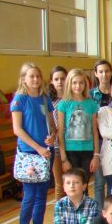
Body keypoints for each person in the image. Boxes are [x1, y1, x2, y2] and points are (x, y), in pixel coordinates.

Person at [12, 62, 56, 224]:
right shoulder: (19, 100)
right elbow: (18, 129)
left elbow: (52, 125)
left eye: (38, 76)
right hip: (29, 153)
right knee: (29, 195)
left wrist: (52, 136)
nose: (36, 79)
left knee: (41, 195)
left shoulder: (45, 99)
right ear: (24, 79)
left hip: (46, 153)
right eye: (31, 76)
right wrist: (38, 148)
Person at [56, 67, 99, 180]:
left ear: (85, 84)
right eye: (74, 83)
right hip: (70, 151)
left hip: (87, 150)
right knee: (73, 181)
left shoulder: (91, 104)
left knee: (84, 182)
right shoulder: (64, 104)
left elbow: (94, 131)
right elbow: (60, 132)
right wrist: (64, 159)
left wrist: (96, 155)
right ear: (69, 84)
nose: (78, 86)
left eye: (81, 83)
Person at [90, 59, 112, 207]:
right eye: (101, 72)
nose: (104, 74)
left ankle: (111, 210)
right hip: (97, 140)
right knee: (99, 181)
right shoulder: (90, 94)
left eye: (107, 71)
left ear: (111, 72)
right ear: (96, 74)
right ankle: (100, 213)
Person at [48, 65, 67, 202]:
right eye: (56, 79)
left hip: (71, 145)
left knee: (74, 182)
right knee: (60, 185)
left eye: (62, 78)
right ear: (51, 81)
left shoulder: (72, 99)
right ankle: (59, 213)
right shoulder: (49, 101)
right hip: (56, 147)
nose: (60, 82)